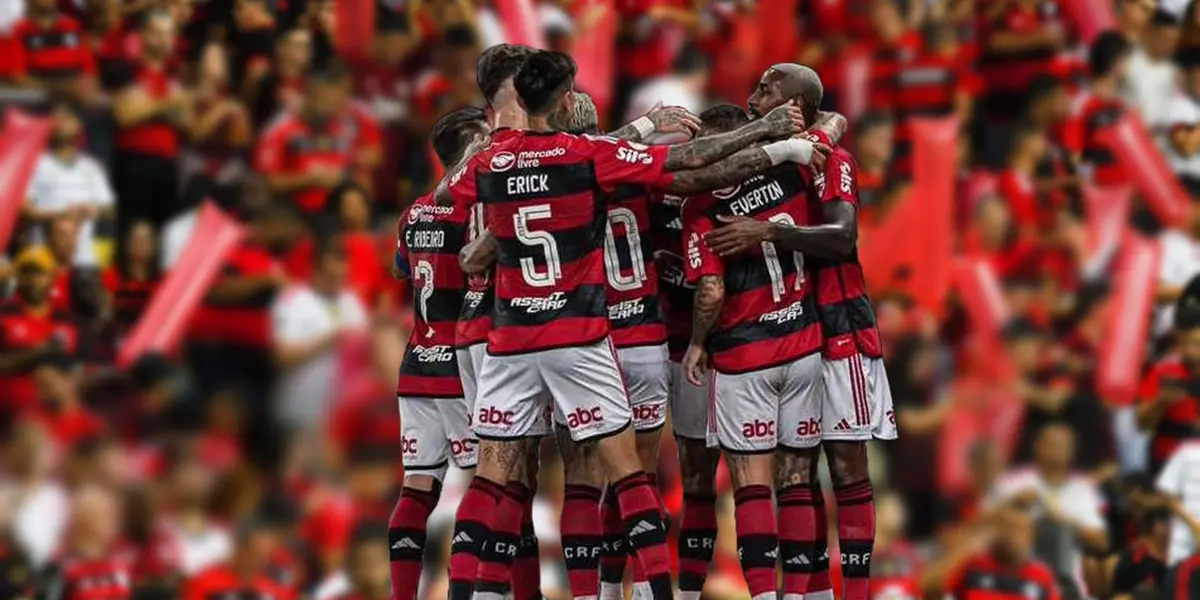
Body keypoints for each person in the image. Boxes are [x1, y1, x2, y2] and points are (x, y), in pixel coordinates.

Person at [445, 49, 818, 600]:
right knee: (628, 473)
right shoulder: (590, 154)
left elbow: (456, 217)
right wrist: (768, 135)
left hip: (510, 344)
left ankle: (468, 594)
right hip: (585, 338)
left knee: (493, 476)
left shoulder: (487, 161)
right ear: (565, 99)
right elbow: (691, 164)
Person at [698, 62, 883, 600]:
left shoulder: (829, 159)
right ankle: (813, 591)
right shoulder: (773, 163)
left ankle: (858, 592)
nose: (754, 93)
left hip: (842, 325)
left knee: (846, 467)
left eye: (767, 86)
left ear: (795, 104)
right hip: (795, 333)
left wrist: (764, 232)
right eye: (754, 85)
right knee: (794, 471)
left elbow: (843, 238)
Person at [679, 68, 828, 600]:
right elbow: (831, 126)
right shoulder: (792, 172)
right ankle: (809, 594)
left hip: (745, 357)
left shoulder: (702, 205)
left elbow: (711, 293)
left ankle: (764, 594)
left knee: (752, 486)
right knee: (797, 480)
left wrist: (697, 342)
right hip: (805, 343)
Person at [547, 91, 672, 600]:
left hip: (585, 342)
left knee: (581, 473)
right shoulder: (633, 170)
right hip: (643, 335)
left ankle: (591, 593)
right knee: (638, 476)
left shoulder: (550, 178)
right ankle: (645, 591)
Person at [389, 106, 487, 600]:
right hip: (459, 367)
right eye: (485, 138)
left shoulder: (414, 212)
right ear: (467, 148)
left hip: (415, 366)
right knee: (484, 484)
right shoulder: (474, 210)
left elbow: (401, 269)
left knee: (417, 487)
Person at [269, 235, 368, 433]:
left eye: (341, 276)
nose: (337, 282)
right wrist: (329, 340)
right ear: (315, 269)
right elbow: (282, 355)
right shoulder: (294, 300)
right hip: (299, 415)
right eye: (330, 276)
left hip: (341, 419)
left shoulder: (352, 302)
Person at [111, 9, 184, 233]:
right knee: (131, 230)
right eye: (158, 33)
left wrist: (149, 107)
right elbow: (124, 115)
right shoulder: (126, 71)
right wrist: (166, 106)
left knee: (163, 232)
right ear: (143, 36)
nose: (164, 40)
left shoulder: (175, 78)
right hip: (134, 162)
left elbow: (186, 120)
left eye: (169, 34)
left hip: (168, 164)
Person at [24, 101, 115, 268]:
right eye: (56, 118)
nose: (61, 121)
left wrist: (90, 209)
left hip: (83, 257)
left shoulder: (91, 167)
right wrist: (61, 215)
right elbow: (24, 209)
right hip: (42, 255)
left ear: (79, 125)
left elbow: (109, 209)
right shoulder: (34, 163)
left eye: (67, 118)